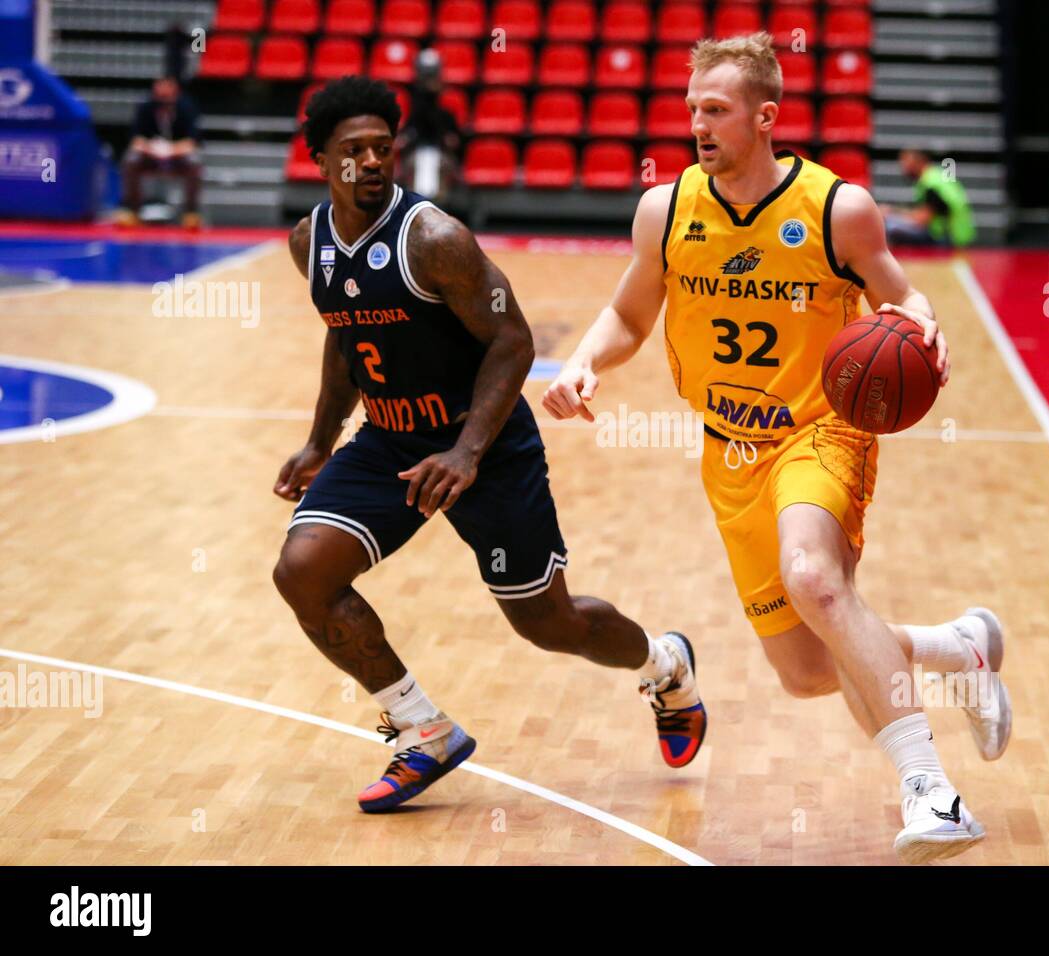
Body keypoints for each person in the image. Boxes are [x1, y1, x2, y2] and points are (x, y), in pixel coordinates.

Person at [542, 33, 1011, 863]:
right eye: (691, 109)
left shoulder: (840, 209)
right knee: (808, 671)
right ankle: (955, 647)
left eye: (714, 110)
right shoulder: (668, 208)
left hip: (820, 430)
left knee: (815, 580)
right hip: (727, 452)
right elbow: (628, 316)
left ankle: (931, 792)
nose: (697, 124)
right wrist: (583, 363)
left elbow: (906, 301)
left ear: (765, 116)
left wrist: (922, 334)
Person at [271, 77, 706, 813]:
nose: (373, 162)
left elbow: (513, 341)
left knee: (548, 623)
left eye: (384, 148)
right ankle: (423, 731)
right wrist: (320, 442)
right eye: (354, 152)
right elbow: (346, 342)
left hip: (487, 442)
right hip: (389, 440)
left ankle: (666, 667)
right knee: (302, 572)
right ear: (320, 161)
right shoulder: (308, 242)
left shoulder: (435, 239)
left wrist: (467, 452)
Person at [117, 75, 203, 229]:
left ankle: (191, 213)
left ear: (175, 89)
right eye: (160, 86)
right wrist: (153, 149)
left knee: (194, 162)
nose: (163, 91)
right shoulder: (145, 107)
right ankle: (131, 210)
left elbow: (192, 142)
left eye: (167, 86)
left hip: (177, 156)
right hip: (151, 155)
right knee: (131, 160)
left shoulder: (186, 108)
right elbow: (135, 139)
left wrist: (170, 150)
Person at [396, 49, 462, 206]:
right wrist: (405, 139)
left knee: (440, 168)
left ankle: (438, 208)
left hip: (441, 153)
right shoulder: (413, 101)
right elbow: (408, 131)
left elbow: (455, 137)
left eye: (431, 75)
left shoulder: (448, 100)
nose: (428, 81)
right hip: (415, 151)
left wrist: (450, 140)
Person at [879, 148, 975, 247]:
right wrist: (892, 210)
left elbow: (922, 219)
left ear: (919, 161)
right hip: (948, 233)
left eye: (906, 162)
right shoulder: (935, 176)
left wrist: (891, 213)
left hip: (948, 237)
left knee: (891, 227)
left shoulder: (931, 185)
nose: (903, 168)